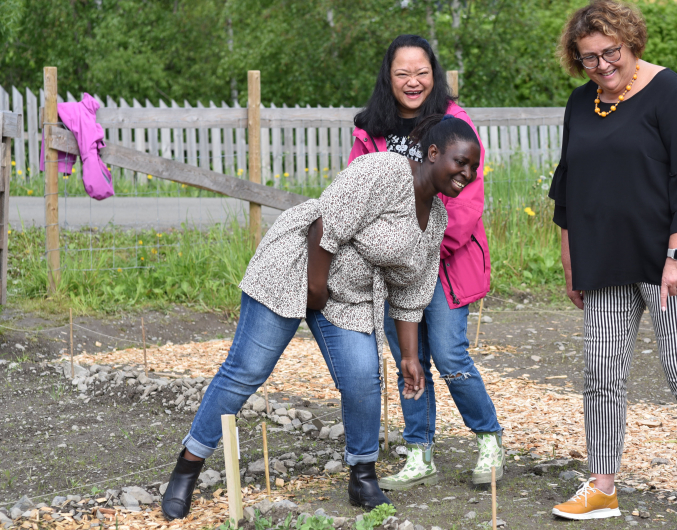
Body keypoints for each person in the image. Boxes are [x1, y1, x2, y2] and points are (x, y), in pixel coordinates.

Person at [160, 114, 481, 520]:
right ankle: (188, 466)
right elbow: (325, 224)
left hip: (348, 294)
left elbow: (410, 293)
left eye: (473, 167)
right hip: (296, 267)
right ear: (433, 153)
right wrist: (316, 289)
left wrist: (411, 357)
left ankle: (362, 474)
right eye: (460, 162)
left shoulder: (435, 219)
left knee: (363, 377)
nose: (466, 174)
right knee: (246, 371)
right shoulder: (384, 170)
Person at [547, 2, 677, 528]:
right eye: (589, 58)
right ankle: (602, 487)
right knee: (602, 376)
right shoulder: (581, 104)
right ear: (576, 60)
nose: (603, 66)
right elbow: (569, 189)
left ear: (631, 42)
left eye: (612, 53)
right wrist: (569, 261)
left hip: (667, 260)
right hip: (603, 259)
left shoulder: (669, 92)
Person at [348, 34, 504, 491]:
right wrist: (387, 255)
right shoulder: (369, 129)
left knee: (451, 354)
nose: (412, 82)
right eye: (402, 73)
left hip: (444, 262)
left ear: (433, 75)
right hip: (391, 267)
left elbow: (467, 199)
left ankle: (489, 439)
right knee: (406, 359)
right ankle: (419, 452)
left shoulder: (455, 123)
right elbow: (358, 196)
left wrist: (420, 254)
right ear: (388, 77)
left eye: (421, 72)